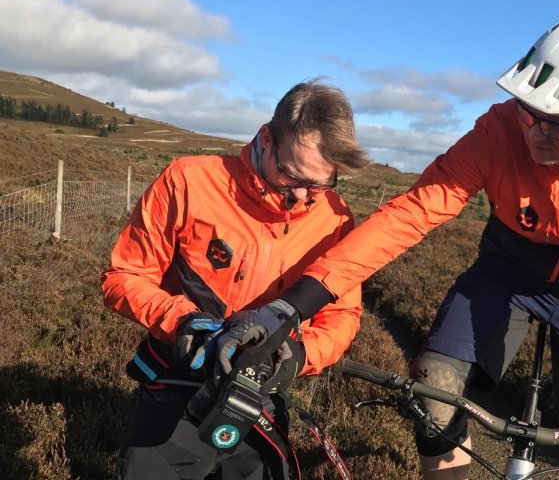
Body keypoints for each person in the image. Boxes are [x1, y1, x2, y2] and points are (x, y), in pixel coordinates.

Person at [207, 12, 559, 479]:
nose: (534, 132)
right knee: (434, 392)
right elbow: (413, 211)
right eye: (529, 111)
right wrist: (293, 305)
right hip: (505, 266)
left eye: (558, 122)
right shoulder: (498, 129)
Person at [101, 79, 371, 479]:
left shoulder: (335, 218)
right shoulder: (188, 181)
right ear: (266, 138)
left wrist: (299, 355)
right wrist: (182, 322)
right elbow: (123, 276)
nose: (301, 197)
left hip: (259, 397)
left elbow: (342, 316)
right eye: (290, 175)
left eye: (319, 183)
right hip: (175, 383)